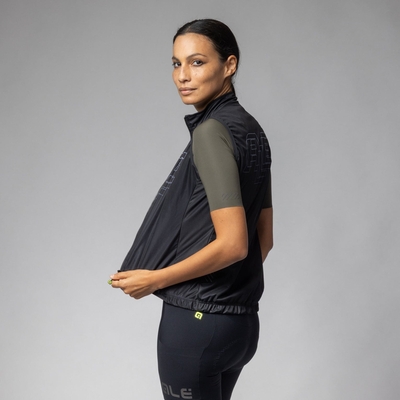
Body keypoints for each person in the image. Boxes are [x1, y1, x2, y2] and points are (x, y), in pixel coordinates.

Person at [110, 18, 273, 400]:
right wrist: (228, 292)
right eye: (176, 63)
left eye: (197, 62)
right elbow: (263, 240)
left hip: (195, 326)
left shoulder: (210, 132)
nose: (182, 76)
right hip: (241, 325)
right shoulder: (253, 130)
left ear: (229, 65)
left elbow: (234, 245)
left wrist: (156, 279)